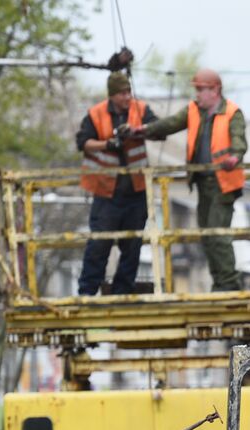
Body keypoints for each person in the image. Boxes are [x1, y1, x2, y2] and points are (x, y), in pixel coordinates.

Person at [143, 68, 247, 292]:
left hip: (224, 183)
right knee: (206, 235)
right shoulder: (193, 110)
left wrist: (235, 157)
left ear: (215, 90)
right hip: (203, 183)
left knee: (217, 234)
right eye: (197, 89)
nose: (197, 94)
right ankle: (220, 282)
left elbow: (239, 142)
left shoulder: (232, 113)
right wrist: (144, 130)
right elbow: (170, 124)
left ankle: (228, 284)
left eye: (201, 89)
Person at [76, 72, 159, 296]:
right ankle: (87, 292)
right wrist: (107, 144)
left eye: (128, 91)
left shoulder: (140, 110)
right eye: (122, 93)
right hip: (106, 192)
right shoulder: (96, 114)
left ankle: (123, 292)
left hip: (136, 191)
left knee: (132, 246)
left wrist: (137, 130)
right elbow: (82, 142)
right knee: (99, 245)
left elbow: (158, 130)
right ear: (112, 95)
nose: (127, 97)